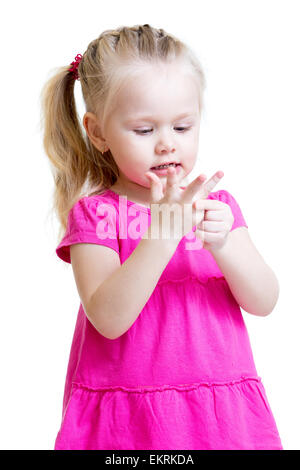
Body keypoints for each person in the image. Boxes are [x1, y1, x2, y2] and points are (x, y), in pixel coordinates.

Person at [40, 24, 283, 450]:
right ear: (98, 133)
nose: (167, 145)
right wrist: (162, 235)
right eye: (145, 130)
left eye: (183, 127)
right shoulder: (97, 216)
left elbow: (264, 300)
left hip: (219, 416)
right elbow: (108, 318)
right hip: (130, 424)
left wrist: (225, 244)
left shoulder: (215, 205)